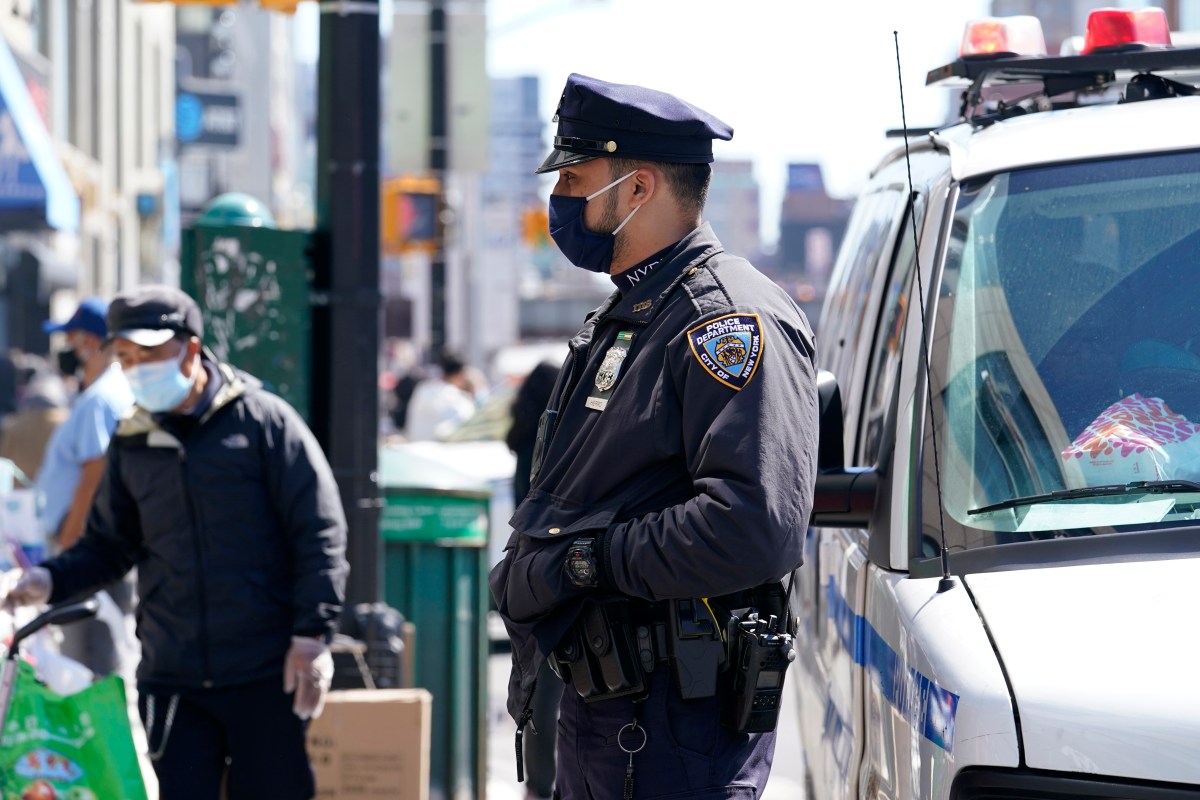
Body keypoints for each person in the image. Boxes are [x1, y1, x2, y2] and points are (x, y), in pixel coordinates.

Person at [489, 74, 819, 799]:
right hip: (607, 714)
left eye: (575, 180)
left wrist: (585, 563)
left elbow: (752, 526)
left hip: (673, 724)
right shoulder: (639, 312)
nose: (558, 200)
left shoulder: (723, 319)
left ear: (637, 188)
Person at [3, 285, 349, 799]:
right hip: (173, 674)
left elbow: (319, 531)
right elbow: (109, 545)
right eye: (125, 358)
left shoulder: (264, 423)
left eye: (149, 354)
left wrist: (311, 635)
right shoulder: (131, 441)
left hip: (265, 670)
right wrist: (47, 580)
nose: (137, 369)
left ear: (190, 350)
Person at [34, 297, 136, 679]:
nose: (68, 349)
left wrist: (71, 542)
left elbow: (96, 474)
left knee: (88, 668)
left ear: (91, 342)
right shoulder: (99, 393)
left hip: (86, 548)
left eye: (72, 339)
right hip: (91, 545)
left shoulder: (101, 398)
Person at [504, 360, 565, 800]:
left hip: (525, 568)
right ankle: (548, 785)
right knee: (555, 685)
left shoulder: (523, 437)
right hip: (552, 566)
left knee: (537, 682)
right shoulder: (558, 435)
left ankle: (538, 786)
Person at [405, 349, 479, 441]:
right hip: (440, 448)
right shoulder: (458, 400)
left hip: (414, 446)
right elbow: (471, 422)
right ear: (460, 374)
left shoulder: (423, 388)